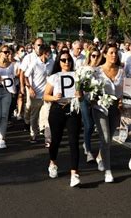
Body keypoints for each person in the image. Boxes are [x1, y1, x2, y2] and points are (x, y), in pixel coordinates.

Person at [44, 50, 83, 187]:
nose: (67, 62)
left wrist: (80, 94)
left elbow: (82, 96)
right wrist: (54, 97)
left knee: (74, 141)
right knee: (56, 140)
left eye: (69, 60)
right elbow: (45, 96)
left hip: (73, 109)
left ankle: (74, 174)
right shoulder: (54, 77)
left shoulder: (77, 76)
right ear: (59, 62)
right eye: (63, 60)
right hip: (57, 110)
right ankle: (53, 162)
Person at [91, 43, 124, 183]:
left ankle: (100, 156)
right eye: (110, 52)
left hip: (115, 109)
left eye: (115, 53)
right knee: (104, 138)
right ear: (104, 54)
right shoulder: (97, 71)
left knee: (108, 139)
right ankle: (108, 171)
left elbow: (125, 89)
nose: (113, 55)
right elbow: (90, 90)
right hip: (100, 108)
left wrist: (122, 101)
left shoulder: (121, 71)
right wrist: (92, 99)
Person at [24, 44, 54, 143]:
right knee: (34, 116)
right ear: (43, 53)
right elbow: (26, 76)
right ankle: (33, 134)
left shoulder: (51, 63)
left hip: (47, 94)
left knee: (47, 116)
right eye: (48, 53)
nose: (50, 54)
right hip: (36, 94)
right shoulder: (35, 63)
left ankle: (47, 138)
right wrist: (30, 88)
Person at [79, 48, 102, 162]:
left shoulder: (101, 70)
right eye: (93, 56)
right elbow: (79, 84)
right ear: (89, 57)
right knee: (88, 125)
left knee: (93, 125)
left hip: (97, 100)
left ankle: (86, 143)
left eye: (98, 56)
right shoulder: (83, 69)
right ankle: (88, 151)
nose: (96, 58)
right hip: (84, 99)